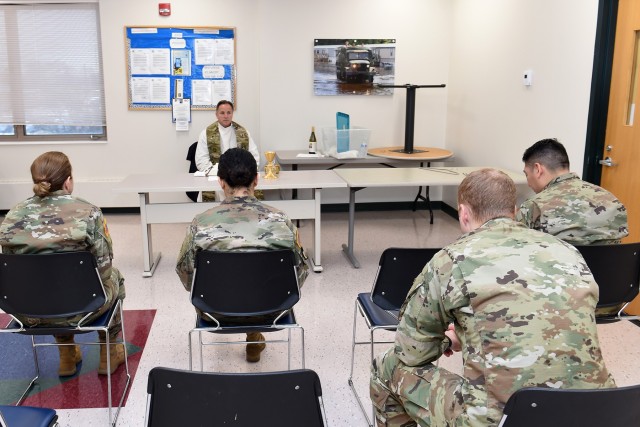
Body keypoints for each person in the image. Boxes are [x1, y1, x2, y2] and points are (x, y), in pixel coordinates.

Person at [370, 168, 614, 427]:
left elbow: (411, 352)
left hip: (499, 420)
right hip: (596, 411)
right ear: (515, 209)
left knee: (387, 366)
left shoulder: (452, 260)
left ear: (463, 213)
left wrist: (449, 340)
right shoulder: (568, 252)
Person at [0, 151, 126, 377]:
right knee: (115, 277)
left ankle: (66, 355)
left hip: (29, 309)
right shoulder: (88, 212)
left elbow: (11, 270)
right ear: (68, 181)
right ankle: (109, 353)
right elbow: (104, 265)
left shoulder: (12, 215)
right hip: (83, 307)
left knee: (46, 285)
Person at [176, 148, 308, 362]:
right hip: (274, 310)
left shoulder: (200, 223)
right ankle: (254, 337)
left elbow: (186, 273)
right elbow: (300, 271)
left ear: (220, 182)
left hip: (215, 312)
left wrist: (218, 295)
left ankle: (252, 332)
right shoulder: (281, 220)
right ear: (257, 180)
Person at [516, 138, 628, 245]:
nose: (529, 183)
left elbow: (514, 245)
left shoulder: (533, 206)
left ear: (537, 169)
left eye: (527, 174)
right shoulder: (612, 200)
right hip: (608, 265)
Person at [195, 99, 260, 201]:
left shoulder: (243, 132)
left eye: (228, 112)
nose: (226, 116)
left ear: (232, 114)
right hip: (216, 178)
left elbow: (254, 156)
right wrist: (219, 173)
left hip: (240, 178)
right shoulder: (206, 133)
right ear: (216, 114)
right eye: (222, 113)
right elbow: (201, 160)